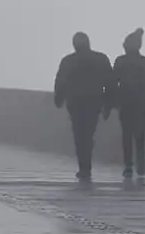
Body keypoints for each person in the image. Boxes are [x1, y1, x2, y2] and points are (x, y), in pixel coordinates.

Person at [54, 31, 115, 183]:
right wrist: (108, 105)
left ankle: (84, 167)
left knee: (79, 135)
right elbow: (110, 84)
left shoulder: (68, 61)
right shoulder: (101, 59)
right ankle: (86, 166)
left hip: (75, 104)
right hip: (94, 103)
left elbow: (60, 82)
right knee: (88, 134)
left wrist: (59, 99)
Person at [113, 27, 145, 180]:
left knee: (127, 135)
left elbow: (113, 83)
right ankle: (140, 163)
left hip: (126, 104)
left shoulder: (120, 61)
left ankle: (128, 166)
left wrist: (113, 100)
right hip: (141, 105)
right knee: (140, 135)